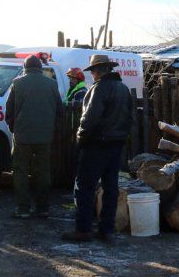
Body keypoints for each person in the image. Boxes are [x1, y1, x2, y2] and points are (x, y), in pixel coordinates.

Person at [62, 55, 133, 243]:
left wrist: (80, 139)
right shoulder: (123, 89)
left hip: (96, 145)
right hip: (116, 145)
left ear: (98, 71)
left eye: (92, 71)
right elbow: (130, 117)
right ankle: (106, 230)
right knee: (110, 188)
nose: (91, 74)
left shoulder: (99, 88)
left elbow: (89, 119)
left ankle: (83, 229)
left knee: (84, 187)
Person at [5, 55, 63, 219]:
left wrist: (14, 128)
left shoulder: (17, 83)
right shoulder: (52, 84)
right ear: (40, 67)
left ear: (25, 67)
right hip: (45, 136)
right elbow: (60, 111)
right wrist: (52, 130)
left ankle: (23, 208)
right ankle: (43, 208)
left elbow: (9, 110)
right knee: (43, 172)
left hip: (22, 136)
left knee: (20, 172)